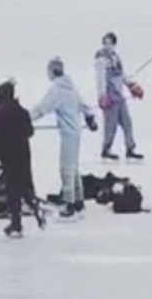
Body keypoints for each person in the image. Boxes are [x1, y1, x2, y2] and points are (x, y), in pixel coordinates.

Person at [28, 58, 98, 219]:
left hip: (68, 133)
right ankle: (78, 198)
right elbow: (83, 105)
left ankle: (69, 202)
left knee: (66, 167)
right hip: (76, 132)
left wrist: (25, 118)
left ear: (52, 72)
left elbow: (42, 108)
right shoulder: (70, 87)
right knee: (73, 167)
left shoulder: (57, 89)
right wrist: (90, 118)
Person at [0, 79, 44, 237]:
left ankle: (16, 224)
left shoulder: (0, 112)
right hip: (23, 154)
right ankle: (35, 209)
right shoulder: (22, 111)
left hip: (8, 156)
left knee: (12, 190)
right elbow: (30, 132)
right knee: (25, 185)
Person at [95, 32, 143, 160]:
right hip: (110, 96)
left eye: (109, 43)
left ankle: (130, 148)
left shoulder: (115, 57)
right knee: (111, 125)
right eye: (105, 43)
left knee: (127, 122)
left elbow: (122, 74)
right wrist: (102, 96)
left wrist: (132, 85)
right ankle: (106, 148)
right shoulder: (101, 59)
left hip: (119, 95)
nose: (107, 46)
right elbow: (100, 79)